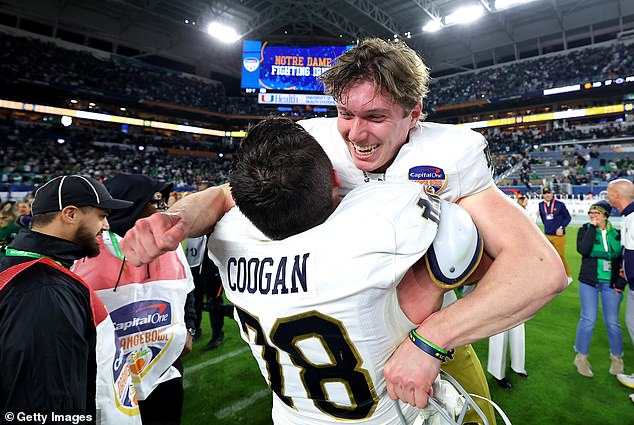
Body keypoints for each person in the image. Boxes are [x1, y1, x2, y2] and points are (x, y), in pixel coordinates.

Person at [119, 38, 566, 416]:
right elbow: (223, 194)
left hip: (421, 326)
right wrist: (175, 222)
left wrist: (432, 340)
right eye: (346, 113)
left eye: (375, 116)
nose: (355, 133)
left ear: (415, 114)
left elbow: (541, 269)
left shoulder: (449, 154)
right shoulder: (316, 142)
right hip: (336, 327)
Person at [207, 118, 486, 424]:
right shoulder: (379, 227)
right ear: (336, 179)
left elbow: (223, 202)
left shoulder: (226, 239)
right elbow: (458, 238)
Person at [0, 175, 140, 424]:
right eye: (101, 215)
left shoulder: (24, 266)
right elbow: (47, 407)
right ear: (71, 214)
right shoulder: (46, 290)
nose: (106, 226)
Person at [73, 174, 194, 425]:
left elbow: (187, 292)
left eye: (164, 201)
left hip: (164, 371)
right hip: (107, 378)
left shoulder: (171, 245)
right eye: (156, 201)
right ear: (132, 204)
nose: (163, 209)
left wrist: (189, 327)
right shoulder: (81, 253)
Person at [573, 200, 626, 377]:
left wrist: (620, 283)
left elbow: (622, 260)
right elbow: (584, 250)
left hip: (610, 283)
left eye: (596, 213)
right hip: (589, 282)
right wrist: (592, 228)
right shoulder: (585, 230)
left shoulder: (617, 234)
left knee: (612, 322)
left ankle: (617, 357)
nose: (592, 215)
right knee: (587, 319)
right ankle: (581, 357)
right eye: (591, 213)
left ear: (605, 215)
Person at [486, 197, 529, 390]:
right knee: (499, 329)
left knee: (518, 326)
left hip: (519, 281)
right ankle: (498, 373)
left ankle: (518, 365)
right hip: (498, 284)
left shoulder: (521, 228)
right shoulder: (489, 228)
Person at [606, 179, 634, 397]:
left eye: (609, 193)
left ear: (616, 194)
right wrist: (621, 279)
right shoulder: (627, 217)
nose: (607, 198)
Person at [538, 187, 572, 284]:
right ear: (543, 195)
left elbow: (568, 217)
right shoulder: (541, 205)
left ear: (552, 194)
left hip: (559, 236)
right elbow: (543, 217)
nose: (547, 195)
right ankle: (551, 275)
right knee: (548, 257)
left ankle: (568, 275)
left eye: (549, 193)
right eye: (545, 193)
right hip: (547, 234)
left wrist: (561, 227)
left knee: (560, 256)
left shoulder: (560, 205)